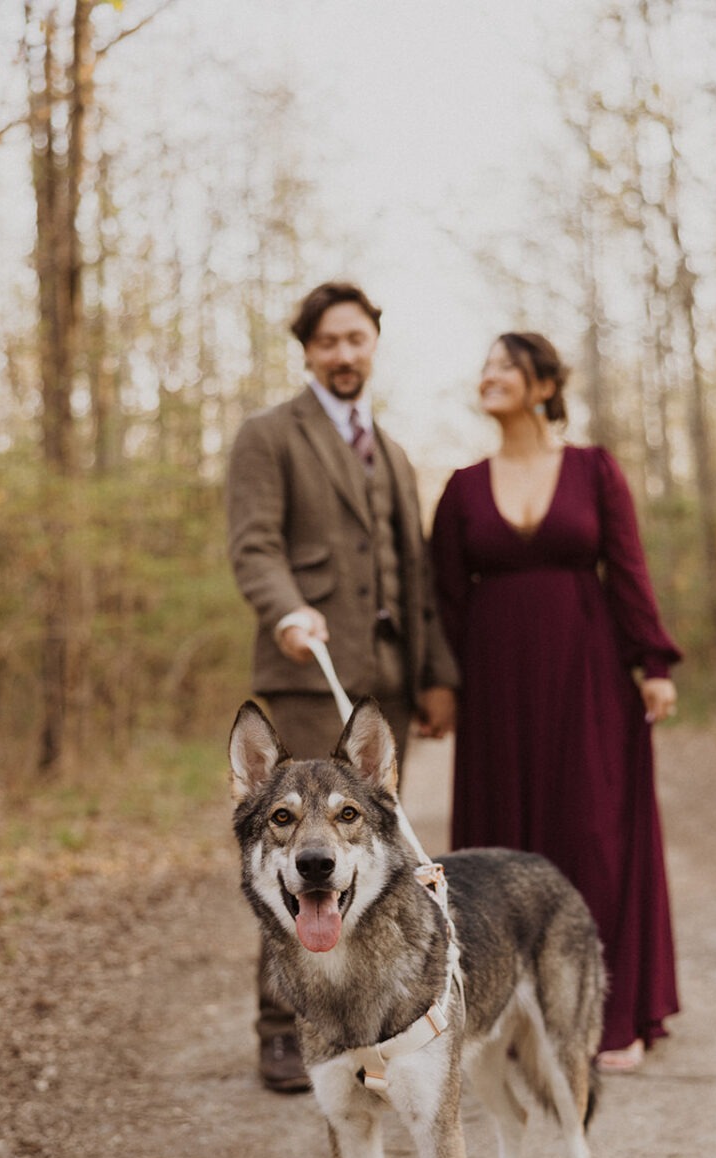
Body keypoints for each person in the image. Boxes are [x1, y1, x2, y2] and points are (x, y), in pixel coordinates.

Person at [226, 281, 459, 1091]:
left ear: (373, 343)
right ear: (308, 350)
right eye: (329, 341)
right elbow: (254, 546)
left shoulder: (391, 452)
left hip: (384, 688)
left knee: (369, 858)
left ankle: (365, 1020)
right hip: (302, 675)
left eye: (357, 339)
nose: (345, 353)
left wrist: (434, 676)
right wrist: (287, 610)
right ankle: (284, 1029)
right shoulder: (268, 436)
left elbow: (415, 575)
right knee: (296, 853)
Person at [429, 332, 681, 1072]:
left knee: (593, 834)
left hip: (588, 679)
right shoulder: (462, 487)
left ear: (543, 384)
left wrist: (653, 661)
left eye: (505, 365)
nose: (489, 376)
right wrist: (437, 687)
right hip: (496, 688)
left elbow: (628, 570)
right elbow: (443, 600)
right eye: (484, 366)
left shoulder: (595, 469)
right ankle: (509, 1014)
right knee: (502, 848)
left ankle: (604, 1016)